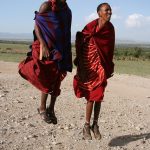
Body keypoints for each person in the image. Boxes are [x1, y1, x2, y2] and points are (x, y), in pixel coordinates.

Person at [18, 0, 72, 124]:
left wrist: (66, 49)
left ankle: (51, 109)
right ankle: (42, 107)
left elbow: (66, 30)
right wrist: (43, 43)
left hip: (61, 47)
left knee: (57, 78)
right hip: (48, 47)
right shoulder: (46, 5)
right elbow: (37, 25)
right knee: (48, 76)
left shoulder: (67, 10)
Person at [73, 3, 115, 140]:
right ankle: (86, 125)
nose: (109, 12)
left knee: (99, 95)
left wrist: (108, 66)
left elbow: (109, 50)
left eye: (110, 10)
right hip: (89, 66)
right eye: (106, 10)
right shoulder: (90, 27)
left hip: (101, 67)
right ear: (99, 13)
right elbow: (81, 40)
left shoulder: (110, 29)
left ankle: (95, 125)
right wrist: (80, 62)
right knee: (91, 96)